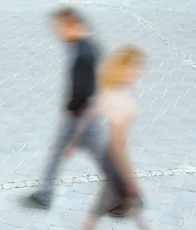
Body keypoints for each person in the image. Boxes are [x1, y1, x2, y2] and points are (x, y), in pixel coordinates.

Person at [64, 45, 163, 230]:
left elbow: (90, 114)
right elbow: (120, 147)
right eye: (134, 68)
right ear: (122, 68)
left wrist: (73, 142)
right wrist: (131, 180)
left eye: (140, 67)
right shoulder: (120, 99)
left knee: (130, 202)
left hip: (110, 157)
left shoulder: (111, 89)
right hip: (115, 161)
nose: (139, 72)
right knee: (104, 208)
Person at [26, 7, 129, 209]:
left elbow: (85, 87)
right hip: (83, 112)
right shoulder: (83, 45)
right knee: (96, 155)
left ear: (73, 25)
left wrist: (73, 108)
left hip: (80, 114)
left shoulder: (84, 52)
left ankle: (125, 194)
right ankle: (124, 193)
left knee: (76, 153)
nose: (58, 32)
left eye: (61, 27)